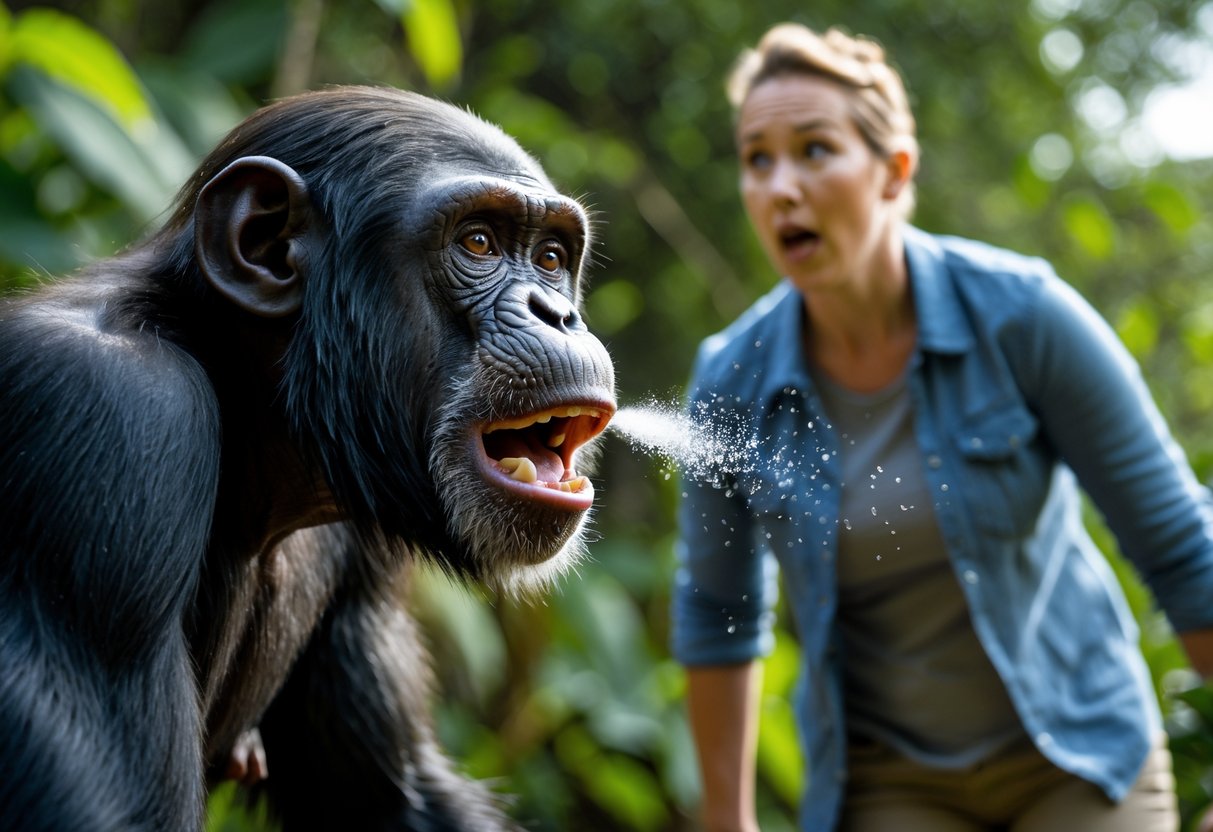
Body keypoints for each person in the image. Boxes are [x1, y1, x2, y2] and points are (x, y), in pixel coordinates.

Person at [670, 21, 1213, 832]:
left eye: (814, 150)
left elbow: (1178, 548)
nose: (780, 186)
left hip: (1076, 754)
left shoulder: (1024, 319)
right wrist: (726, 822)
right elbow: (717, 612)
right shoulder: (730, 381)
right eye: (757, 158)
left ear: (893, 172)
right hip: (890, 785)